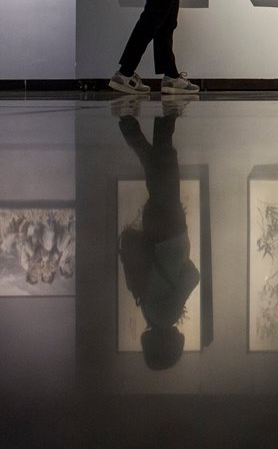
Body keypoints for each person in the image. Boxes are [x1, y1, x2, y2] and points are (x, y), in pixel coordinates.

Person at [116, 97, 200, 370]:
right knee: (158, 168)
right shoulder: (151, 314)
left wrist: (181, 265)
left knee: (163, 166)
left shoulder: (168, 315)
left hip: (169, 231)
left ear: (169, 347)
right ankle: (153, 119)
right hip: (158, 229)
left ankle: (150, 117)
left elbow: (192, 276)